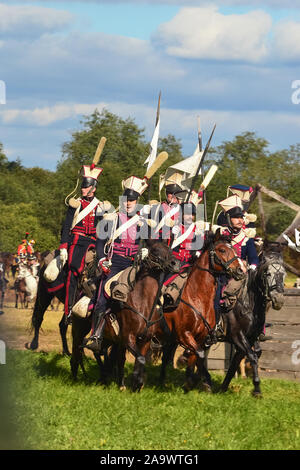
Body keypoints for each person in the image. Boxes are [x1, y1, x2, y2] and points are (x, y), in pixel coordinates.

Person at [84, 174, 152, 352]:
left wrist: (146, 249)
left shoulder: (143, 222)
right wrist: (101, 259)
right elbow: (100, 242)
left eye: (132, 200)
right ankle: (96, 335)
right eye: (126, 200)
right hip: (114, 263)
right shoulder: (112, 219)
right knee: (102, 297)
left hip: (134, 265)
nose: (129, 203)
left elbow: (149, 242)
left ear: (137, 201)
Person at [59, 163, 104, 322]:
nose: (83, 190)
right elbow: (66, 226)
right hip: (76, 242)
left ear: (93, 188)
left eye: (86, 187)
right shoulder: (76, 203)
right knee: (73, 272)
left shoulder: (99, 206)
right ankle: (68, 310)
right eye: (83, 187)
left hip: (93, 242)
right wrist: (64, 246)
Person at [213, 195, 259, 315]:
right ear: (229, 219)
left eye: (241, 218)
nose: (240, 220)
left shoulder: (246, 238)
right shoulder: (221, 236)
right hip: (222, 273)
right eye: (236, 218)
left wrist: (252, 266)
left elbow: (253, 257)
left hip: (240, 273)